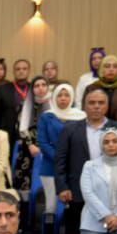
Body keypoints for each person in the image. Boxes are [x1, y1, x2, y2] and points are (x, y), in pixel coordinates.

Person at [55, 88, 117, 234]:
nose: (96, 106)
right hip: (77, 192)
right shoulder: (69, 129)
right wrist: (62, 187)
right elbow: (60, 159)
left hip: (112, 193)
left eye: (101, 103)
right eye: (92, 103)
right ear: (84, 106)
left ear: (107, 106)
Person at [35, 85, 86, 217]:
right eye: (59, 95)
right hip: (50, 166)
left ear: (72, 97)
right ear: (54, 98)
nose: (63, 98)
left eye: (67, 95)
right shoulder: (46, 117)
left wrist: (71, 160)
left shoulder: (81, 117)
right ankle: (50, 230)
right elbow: (43, 142)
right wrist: (61, 159)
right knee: (51, 207)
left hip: (74, 168)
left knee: (73, 205)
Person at [86, 55, 117, 125]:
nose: (111, 69)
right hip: (95, 127)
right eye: (107, 66)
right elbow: (86, 110)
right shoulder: (92, 88)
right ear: (101, 69)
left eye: (115, 66)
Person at [0, 59, 32, 135]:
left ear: (29, 71)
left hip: (29, 132)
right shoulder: (3, 89)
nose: (21, 71)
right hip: (8, 133)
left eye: (24, 69)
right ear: (13, 72)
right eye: (18, 69)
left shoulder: (33, 89)